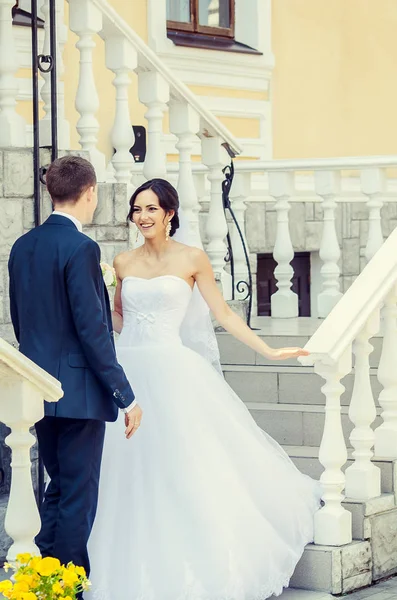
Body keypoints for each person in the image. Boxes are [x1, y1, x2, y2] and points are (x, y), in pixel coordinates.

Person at [87, 178, 322, 600]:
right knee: (125, 468)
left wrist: (268, 350)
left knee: (183, 462)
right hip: (129, 370)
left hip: (174, 372)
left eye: (151, 209)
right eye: (137, 209)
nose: (142, 217)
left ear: (170, 213)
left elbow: (224, 314)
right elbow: (118, 317)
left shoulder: (193, 258)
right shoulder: (121, 262)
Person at [8, 156, 142, 590]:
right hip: (80, 392)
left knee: (57, 490)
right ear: (90, 192)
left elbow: (21, 320)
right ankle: (69, 589)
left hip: (36, 389)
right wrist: (126, 394)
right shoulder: (82, 248)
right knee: (78, 500)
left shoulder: (22, 245)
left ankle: (41, 585)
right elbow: (93, 331)